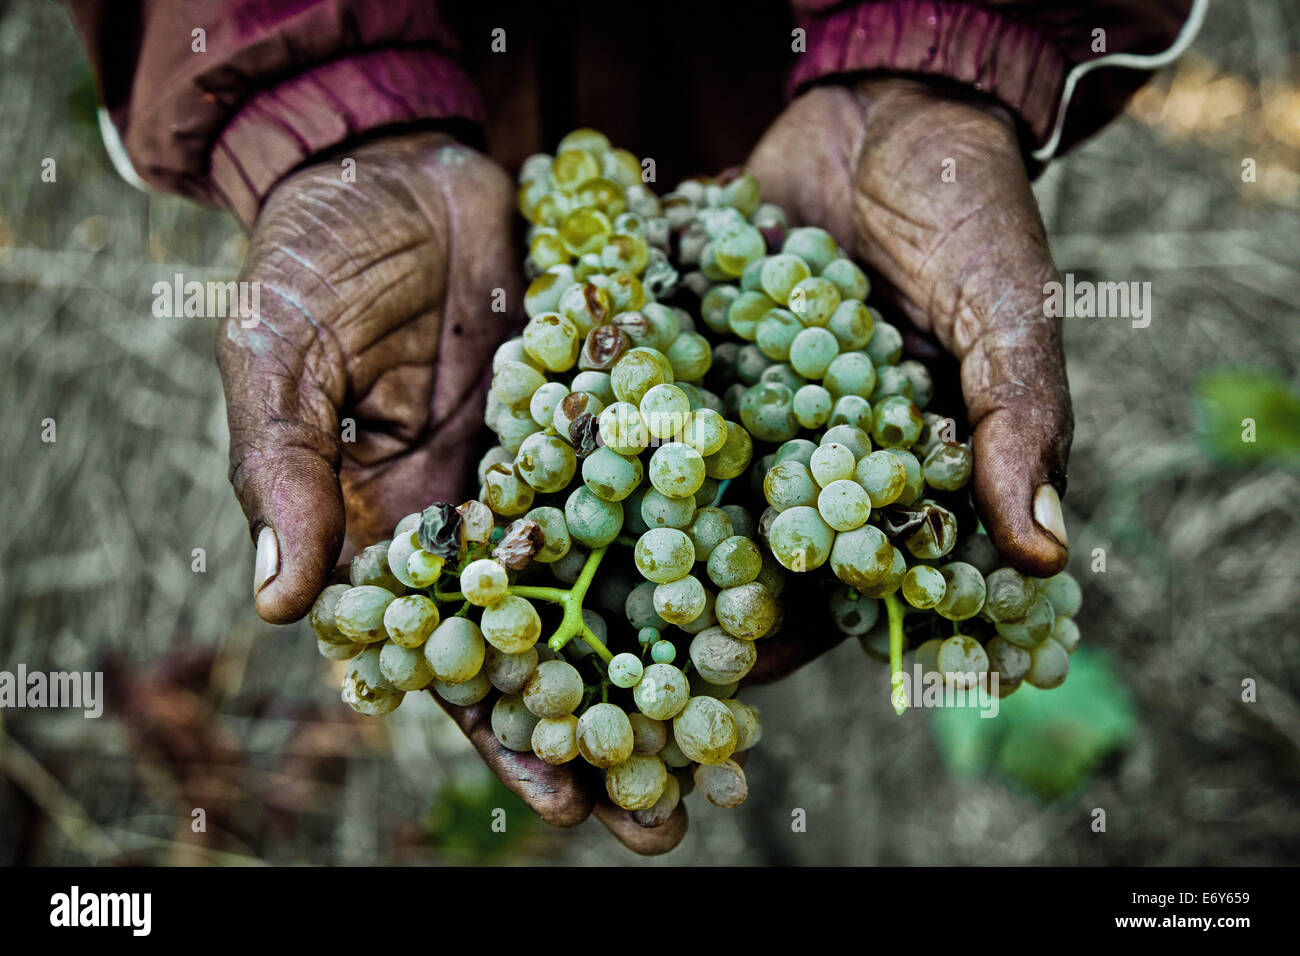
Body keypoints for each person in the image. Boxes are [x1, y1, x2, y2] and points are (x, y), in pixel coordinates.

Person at [65, 0, 1196, 854]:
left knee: (741, 516)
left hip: (792, 122)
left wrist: (936, 45)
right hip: (487, 143)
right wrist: (324, 94)